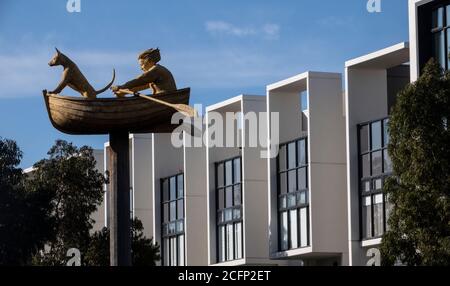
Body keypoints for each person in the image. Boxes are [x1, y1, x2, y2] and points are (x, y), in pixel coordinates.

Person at [111, 48, 177, 97]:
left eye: (142, 65)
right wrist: (124, 92)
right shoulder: (155, 74)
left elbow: (139, 80)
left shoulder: (156, 70)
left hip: (165, 98)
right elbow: (142, 86)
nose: (141, 68)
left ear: (150, 61)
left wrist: (121, 87)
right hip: (162, 98)